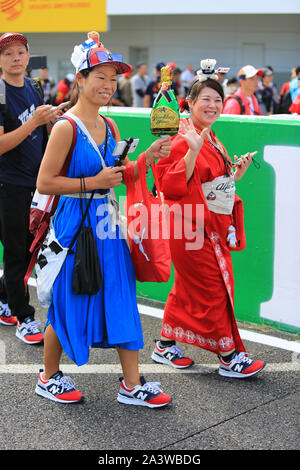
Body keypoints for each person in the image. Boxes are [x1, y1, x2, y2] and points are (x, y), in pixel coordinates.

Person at [34, 32, 172, 407]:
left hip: (107, 224)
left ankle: (132, 384)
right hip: (72, 226)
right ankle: (48, 376)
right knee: (67, 302)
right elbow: (45, 182)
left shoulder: (110, 127)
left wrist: (147, 159)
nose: (108, 85)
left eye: (113, 79)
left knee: (121, 297)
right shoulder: (66, 127)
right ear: (80, 79)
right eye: (100, 77)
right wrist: (92, 182)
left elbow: (121, 174)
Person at [151, 61, 266, 378]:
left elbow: (214, 183)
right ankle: (228, 356)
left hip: (206, 225)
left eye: (218, 99)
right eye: (207, 100)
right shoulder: (182, 137)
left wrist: (235, 173)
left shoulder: (209, 136)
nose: (214, 105)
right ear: (189, 103)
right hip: (190, 228)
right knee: (212, 288)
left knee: (188, 289)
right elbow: (171, 185)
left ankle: (164, 345)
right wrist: (191, 151)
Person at [0, 32, 58, 338]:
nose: (16, 58)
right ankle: (24, 316)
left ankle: (3, 297)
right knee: (17, 252)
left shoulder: (35, 86)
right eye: (8, 54)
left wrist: (50, 121)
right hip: (9, 185)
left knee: (27, 250)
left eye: (20, 52)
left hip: (37, 184)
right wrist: (33, 123)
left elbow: (41, 131)